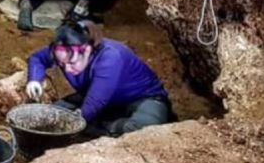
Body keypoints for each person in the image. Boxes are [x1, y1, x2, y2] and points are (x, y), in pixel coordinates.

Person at [25, 20, 174, 137]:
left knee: (143, 127)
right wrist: (34, 80)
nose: (67, 69)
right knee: (51, 112)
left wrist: (75, 119)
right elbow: (37, 58)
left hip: (142, 99)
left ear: (87, 50)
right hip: (102, 99)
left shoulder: (110, 57)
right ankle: (102, 125)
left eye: (72, 63)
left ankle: (106, 127)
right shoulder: (65, 49)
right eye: (61, 65)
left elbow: (95, 102)